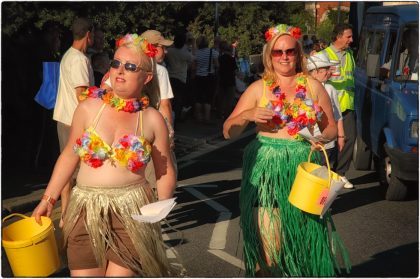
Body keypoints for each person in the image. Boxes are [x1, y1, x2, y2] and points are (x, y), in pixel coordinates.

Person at [32, 33, 177, 277]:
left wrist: (158, 211)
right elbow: (69, 156)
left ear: (147, 76)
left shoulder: (152, 119)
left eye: (130, 66)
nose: (120, 70)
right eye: (116, 63)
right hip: (86, 209)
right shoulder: (88, 109)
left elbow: (164, 170)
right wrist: (48, 199)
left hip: (131, 212)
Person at [223, 24, 350, 277]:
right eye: (277, 52)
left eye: (290, 51)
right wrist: (247, 114)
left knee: (301, 245)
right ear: (269, 56)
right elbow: (228, 131)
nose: (284, 57)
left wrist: (318, 135)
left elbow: (331, 131)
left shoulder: (313, 86)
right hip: (267, 169)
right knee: (269, 249)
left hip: (302, 169)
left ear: (298, 53)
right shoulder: (259, 88)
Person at [53, 17, 95, 227]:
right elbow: (81, 94)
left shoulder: (68, 55)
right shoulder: (79, 59)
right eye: (94, 34)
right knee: (77, 171)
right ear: (88, 35)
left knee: (66, 167)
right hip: (74, 122)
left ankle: (64, 216)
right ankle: (72, 217)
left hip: (64, 118)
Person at [321, 23, 356, 189]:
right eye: (348, 36)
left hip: (347, 105)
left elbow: (352, 76)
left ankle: (340, 173)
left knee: (349, 139)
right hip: (328, 107)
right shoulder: (324, 55)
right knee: (327, 143)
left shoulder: (349, 54)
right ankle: (325, 174)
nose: (351, 40)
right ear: (338, 37)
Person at [307, 52, 345, 168]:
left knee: (325, 175)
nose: (329, 72)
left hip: (326, 145)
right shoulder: (303, 89)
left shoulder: (330, 88)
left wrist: (341, 136)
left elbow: (337, 115)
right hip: (307, 146)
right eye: (325, 69)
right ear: (315, 71)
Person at [165, 30, 195, 125]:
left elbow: (168, 48)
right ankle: (176, 120)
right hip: (181, 78)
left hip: (170, 76)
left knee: (171, 100)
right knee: (179, 101)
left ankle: (169, 118)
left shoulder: (170, 51)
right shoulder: (184, 53)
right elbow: (194, 57)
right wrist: (193, 43)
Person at [193, 35, 219, 123]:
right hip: (209, 76)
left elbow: (194, 66)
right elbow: (217, 65)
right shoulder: (213, 52)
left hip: (198, 76)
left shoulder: (196, 53)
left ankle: (198, 117)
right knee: (208, 98)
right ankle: (207, 118)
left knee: (198, 97)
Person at [217, 40, 237, 119]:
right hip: (230, 79)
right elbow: (235, 69)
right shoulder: (231, 58)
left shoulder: (220, 58)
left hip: (221, 79)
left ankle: (219, 113)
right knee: (229, 99)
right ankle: (227, 114)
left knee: (221, 98)